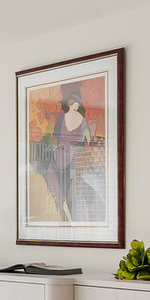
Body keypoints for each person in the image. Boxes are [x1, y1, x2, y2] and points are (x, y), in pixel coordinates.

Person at [41, 92, 92, 222]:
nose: (77, 106)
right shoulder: (65, 118)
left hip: (69, 157)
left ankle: (68, 216)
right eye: (76, 104)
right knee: (54, 180)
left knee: (60, 183)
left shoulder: (79, 120)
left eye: (78, 105)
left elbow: (84, 137)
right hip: (62, 155)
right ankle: (67, 216)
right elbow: (58, 137)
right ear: (71, 104)